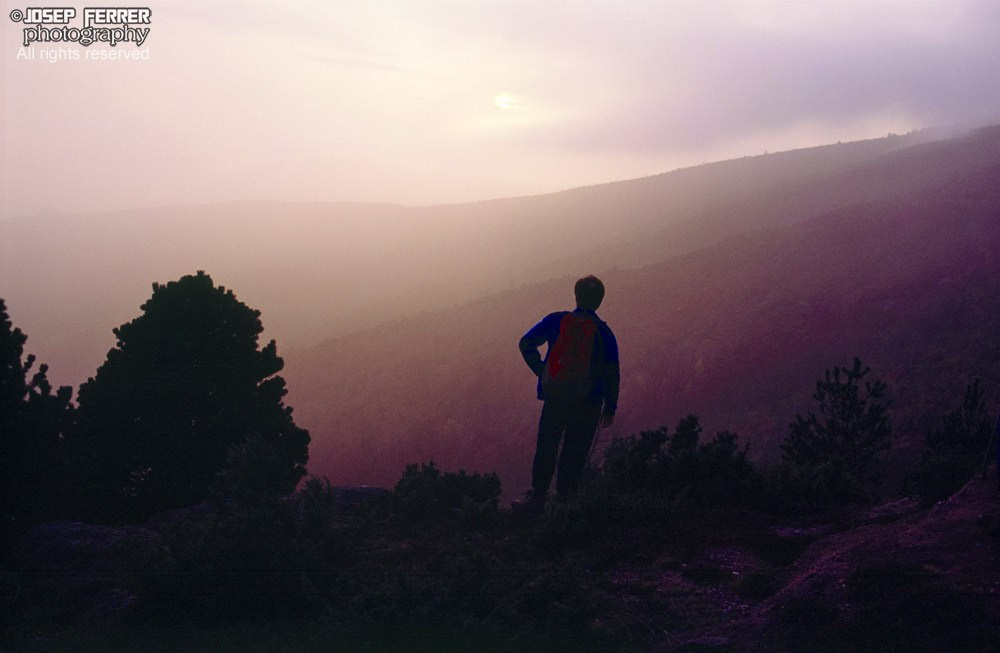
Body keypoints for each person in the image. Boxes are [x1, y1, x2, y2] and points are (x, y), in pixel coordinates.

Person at [515, 275, 620, 512]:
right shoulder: (604, 333)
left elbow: (526, 343)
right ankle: (565, 502)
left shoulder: (556, 321)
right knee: (575, 450)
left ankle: (538, 497)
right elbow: (612, 372)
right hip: (588, 402)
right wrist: (610, 407)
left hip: (555, 397)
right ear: (600, 301)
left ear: (576, 296)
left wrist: (542, 371)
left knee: (547, 446)